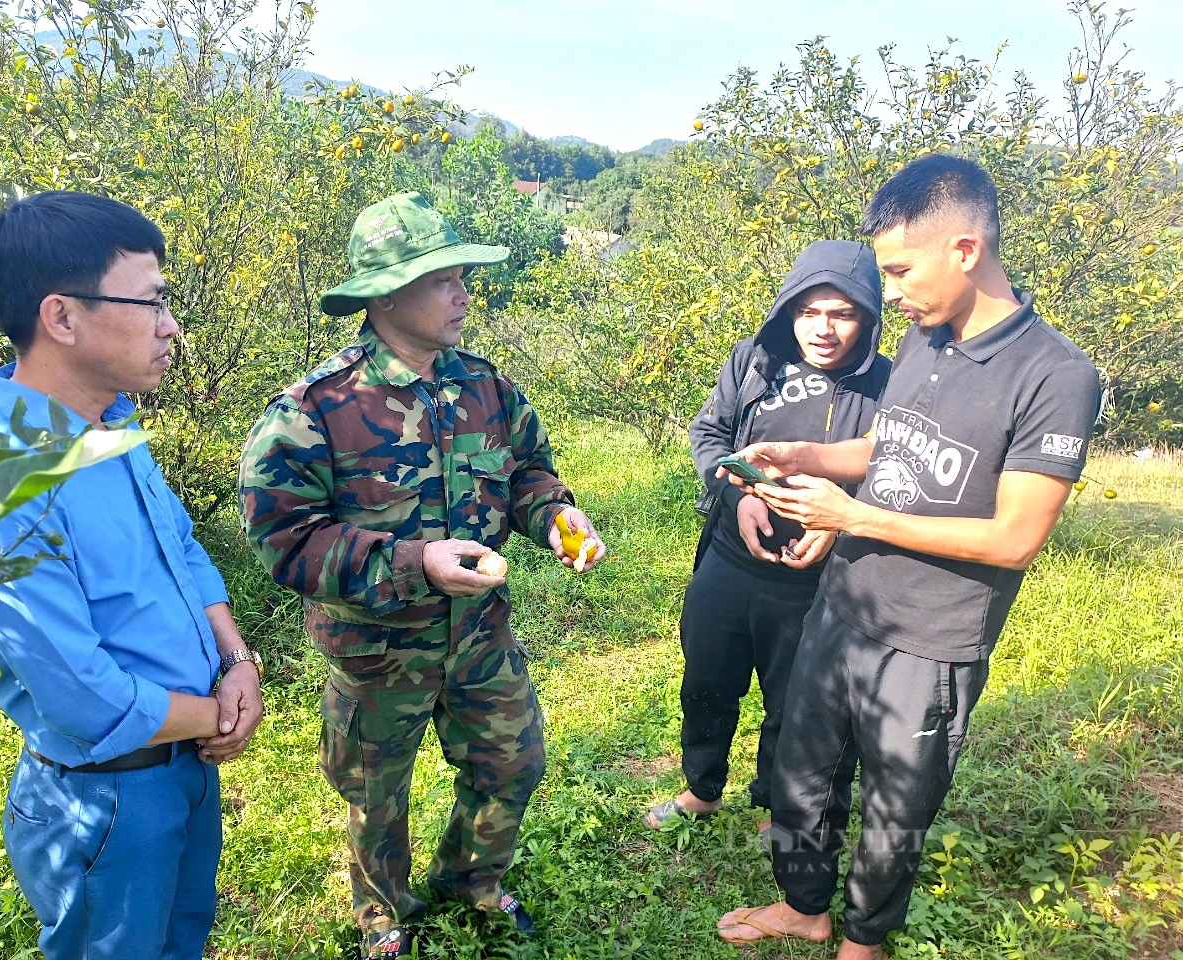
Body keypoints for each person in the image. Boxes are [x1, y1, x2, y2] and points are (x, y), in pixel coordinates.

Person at [714, 155, 1101, 958]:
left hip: (932, 636)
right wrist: (812, 458)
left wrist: (854, 514)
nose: (887, 292)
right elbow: (893, 443)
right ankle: (805, 906)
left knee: (896, 809)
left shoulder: (1056, 375)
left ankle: (865, 940)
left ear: (963, 249)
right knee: (800, 770)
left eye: (898, 269)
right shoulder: (928, 340)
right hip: (846, 600)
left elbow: (1015, 537)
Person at [238, 191, 605, 960]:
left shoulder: (486, 387)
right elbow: (285, 538)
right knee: (376, 795)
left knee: (513, 765)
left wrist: (555, 518)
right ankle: (384, 913)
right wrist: (416, 562)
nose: (463, 292)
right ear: (387, 295)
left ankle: (471, 881)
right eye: (444, 278)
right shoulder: (313, 410)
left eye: (462, 275)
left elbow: (531, 471)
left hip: (480, 637)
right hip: (377, 651)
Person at [0, 191, 264, 960]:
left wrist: (238, 658)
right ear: (63, 317)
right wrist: (221, 715)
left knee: (182, 941)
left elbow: (180, 546)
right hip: (108, 799)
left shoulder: (110, 425)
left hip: (185, 761)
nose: (170, 325)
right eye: (151, 301)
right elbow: (81, 694)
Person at [645, 241, 891, 835]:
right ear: (788, 312)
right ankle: (702, 788)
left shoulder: (891, 384)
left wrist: (842, 520)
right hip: (730, 559)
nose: (824, 329)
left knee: (796, 700)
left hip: (818, 581)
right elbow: (710, 434)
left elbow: (898, 471)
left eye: (843, 313)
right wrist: (736, 498)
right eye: (809, 312)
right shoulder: (757, 361)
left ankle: (775, 801)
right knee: (707, 680)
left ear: (869, 318)